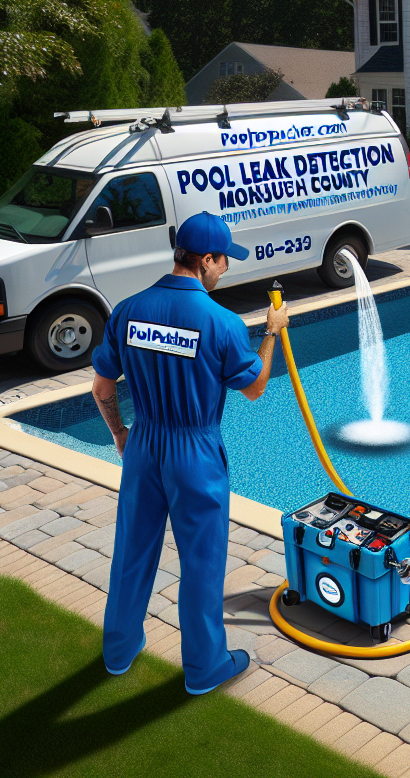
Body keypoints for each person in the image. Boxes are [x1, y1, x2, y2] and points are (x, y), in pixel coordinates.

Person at [91, 211, 290, 694]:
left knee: (132, 552)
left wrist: (121, 433)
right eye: (223, 262)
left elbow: (101, 387)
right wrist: (272, 331)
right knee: (201, 564)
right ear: (205, 259)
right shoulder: (220, 323)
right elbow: (256, 388)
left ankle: (118, 651)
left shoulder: (129, 309)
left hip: (144, 445)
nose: (225, 270)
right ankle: (204, 669)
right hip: (194, 451)